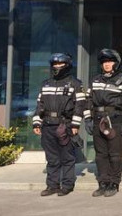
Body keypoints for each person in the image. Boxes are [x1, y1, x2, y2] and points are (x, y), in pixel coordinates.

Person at [84, 49, 122, 197]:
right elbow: (88, 100)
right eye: (104, 62)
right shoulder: (95, 80)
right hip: (98, 119)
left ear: (116, 63)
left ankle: (114, 183)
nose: (107, 64)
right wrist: (87, 119)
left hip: (116, 120)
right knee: (100, 154)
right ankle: (103, 182)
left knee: (115, 154)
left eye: (110, 61)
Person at [32, 53, 85, 196]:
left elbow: (80, 106)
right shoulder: (46, 84)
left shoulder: (75, 84)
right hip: (47, 125)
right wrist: (36, 123)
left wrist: (75, 125)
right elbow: (40, 105)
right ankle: (52, 185)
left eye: (60, 64)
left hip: (65, 125)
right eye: (55, 65)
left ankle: (67, 185)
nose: (57, 67)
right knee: (52, 158)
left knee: (67, 157)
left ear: (67, 66)